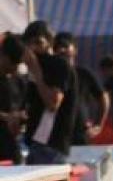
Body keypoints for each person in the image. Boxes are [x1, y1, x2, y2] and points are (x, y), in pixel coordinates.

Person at [21, 21, 79, 164]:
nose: (33, 48)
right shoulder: (38, 68)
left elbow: (53, 103)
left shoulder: (58, 65)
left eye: (38, 42)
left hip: (50, 144)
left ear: (49, 42)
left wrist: (36, 71)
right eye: (29, 44)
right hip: (37, 143)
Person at [53, 32, 108, 145]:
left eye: (65, 46)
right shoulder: (50, 75)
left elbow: (104, 98)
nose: (62, 50)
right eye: (58, 47)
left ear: (74, 50)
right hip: (56, 134)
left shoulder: (83, 73)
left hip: (80, 133)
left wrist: (98, 125)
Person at [0, 35, 27, 163]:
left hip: (12, 144)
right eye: (14, 62)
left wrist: (20, 116)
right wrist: (6, 117)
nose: (16, 67)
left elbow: (25, 106)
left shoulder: (18, 81)